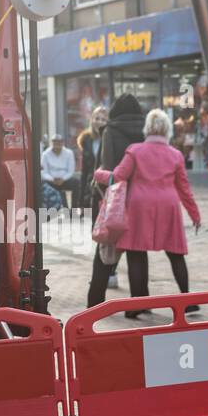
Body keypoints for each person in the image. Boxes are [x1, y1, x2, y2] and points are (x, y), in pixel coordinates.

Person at [93, 108, 201, 317]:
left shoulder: (135, 150)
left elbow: (118, 177)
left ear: (147, 128)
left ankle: (138, 305)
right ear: (167, 130)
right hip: (168, 207)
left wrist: (98, 174)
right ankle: (188, 300)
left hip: (139, 206)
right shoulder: (176, 155)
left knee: (136, 254)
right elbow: (184, 189)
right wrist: (195, 215)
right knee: (176, 254)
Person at [87, 93, 147, 305]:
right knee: (138, 250)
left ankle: (94, 301)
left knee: (106, 248)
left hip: (117, 198)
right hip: (142, 198)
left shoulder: (110, 131)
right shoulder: (146, 130)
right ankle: (139, 303)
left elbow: (108, 165)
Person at [77, 105, 108, 210]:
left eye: (103, 119)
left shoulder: (110, 139)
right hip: (91, 189)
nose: (99, 122)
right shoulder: (86, 140)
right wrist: (80, 202)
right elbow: (84, 172)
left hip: (106, 188)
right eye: (97, 118)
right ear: (92, 120)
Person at [40, 134, 78, 210]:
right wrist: (52, 179)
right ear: (51, 143)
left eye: (59, 142)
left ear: (62, 143)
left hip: (65, 179)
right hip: (51, 180)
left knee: (76, 182)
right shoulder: (45, 154)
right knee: (41, 184)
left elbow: (71, 170)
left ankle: (74, 209)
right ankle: (49, 208)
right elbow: (43, 172)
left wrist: (63, 179)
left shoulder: (69, 153)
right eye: (55, 142)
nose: (57, 145)